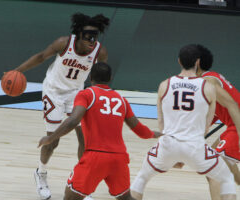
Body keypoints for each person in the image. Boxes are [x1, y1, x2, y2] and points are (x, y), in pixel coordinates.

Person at [13, 13, 109, 199]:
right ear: (79, 35)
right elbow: (41, 57)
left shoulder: (100, 52)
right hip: (53, 91)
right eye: (88, 37)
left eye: (94, 37)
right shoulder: (64, 43)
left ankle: (82, 184)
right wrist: (17, 71)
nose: (92, 40)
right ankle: (41, 173)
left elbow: (99, 77)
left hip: (76, 93)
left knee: (86, 140)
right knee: (53, 141)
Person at [38, 62, 162, 200]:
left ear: (90, 77)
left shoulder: (86, 95)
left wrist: (51, 138)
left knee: (70, 197)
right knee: (126, 198)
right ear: (110, 79)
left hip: (95, 157)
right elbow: (139, 130)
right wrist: (153, 133)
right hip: (119, 159)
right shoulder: (121, 100)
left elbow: (73, 120)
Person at [130, 44, 237, 200]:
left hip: (172, 142)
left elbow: (162, 125)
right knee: (224, 174)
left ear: (179, 61)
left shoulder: (168, 84)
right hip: (206, 138)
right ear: (198, 62)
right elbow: (206, 122)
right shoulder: (206, 85)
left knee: (141, 179)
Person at [196, 44, 240, 200]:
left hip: (237, 125)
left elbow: (232, 105)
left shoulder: (208, 81)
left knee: (213, 166)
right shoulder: (206, 80)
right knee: (212, 164)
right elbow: (213, 113)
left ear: (196, 63)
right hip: (232, 126)